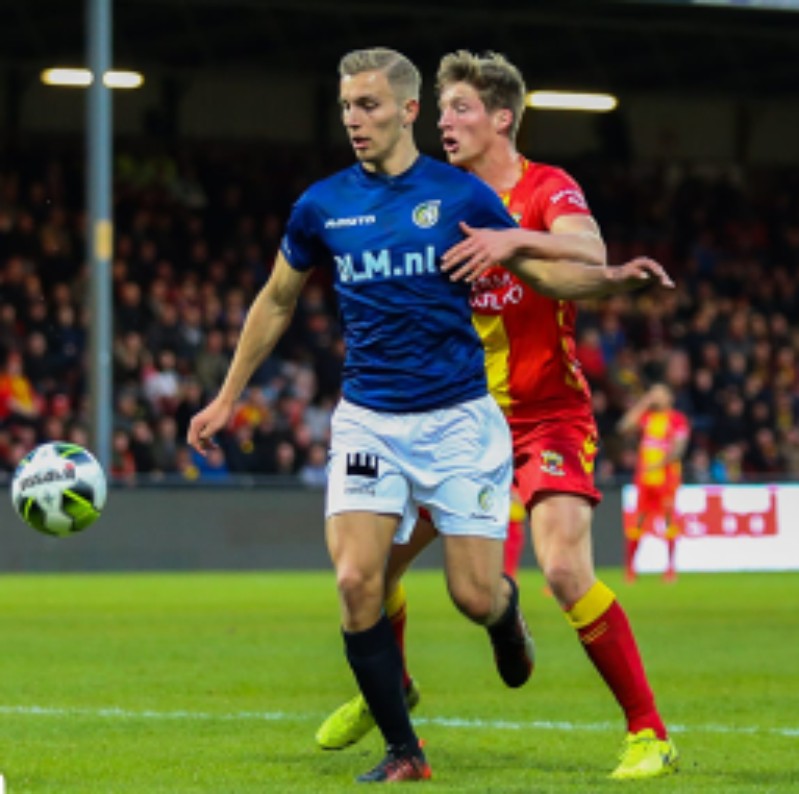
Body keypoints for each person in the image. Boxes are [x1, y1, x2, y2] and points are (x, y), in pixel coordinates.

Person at [187, 46, 660, 785]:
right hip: (378, 418)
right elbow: (279, 296)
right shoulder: (331, 203)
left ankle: (565, 668)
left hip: (489, 419)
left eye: (370, 105)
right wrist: (227, 394)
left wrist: (608, 279)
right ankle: (402, 734)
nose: (355, 120)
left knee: (501, 586)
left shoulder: (484, 197)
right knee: (360, 579)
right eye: (346, 107)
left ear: (412, 111)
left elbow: (559, 266)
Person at [316, 50, 679, 782]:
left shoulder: (549, 188)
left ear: (502, 118)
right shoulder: (437, 197)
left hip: (547, 414)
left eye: (460, 110)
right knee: (371, 573)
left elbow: (587, 251)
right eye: (441, 110)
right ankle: (393, 688)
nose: (443, 123)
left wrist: (517, 239)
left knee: (568, 569)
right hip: (452, 419)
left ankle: (648, 733)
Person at [617, 383, 690, 583]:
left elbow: (678, 449)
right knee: (637, 522)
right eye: (653, 393)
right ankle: (630, 569)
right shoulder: (647, 417)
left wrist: (659, 463)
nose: (655, 396)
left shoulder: (677, 420)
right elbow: (623, 427)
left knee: (668, 521)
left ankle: (670, 569)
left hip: (666, 480)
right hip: (644, 481)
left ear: (669, 397)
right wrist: (644, 403)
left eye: (659, 393)